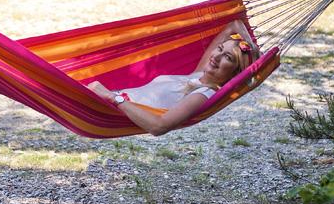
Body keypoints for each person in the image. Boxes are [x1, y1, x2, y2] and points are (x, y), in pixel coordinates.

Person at [86, 19, 258, 136]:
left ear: (236, 72)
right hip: (104, 97)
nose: (217, 56)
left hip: (111, 107)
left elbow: (158, 126)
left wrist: (112, 97)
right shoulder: (200, 75)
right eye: (220, 49)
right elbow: (233, 26)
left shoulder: (204, 93)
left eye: (228, 58)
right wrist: (252, 48)